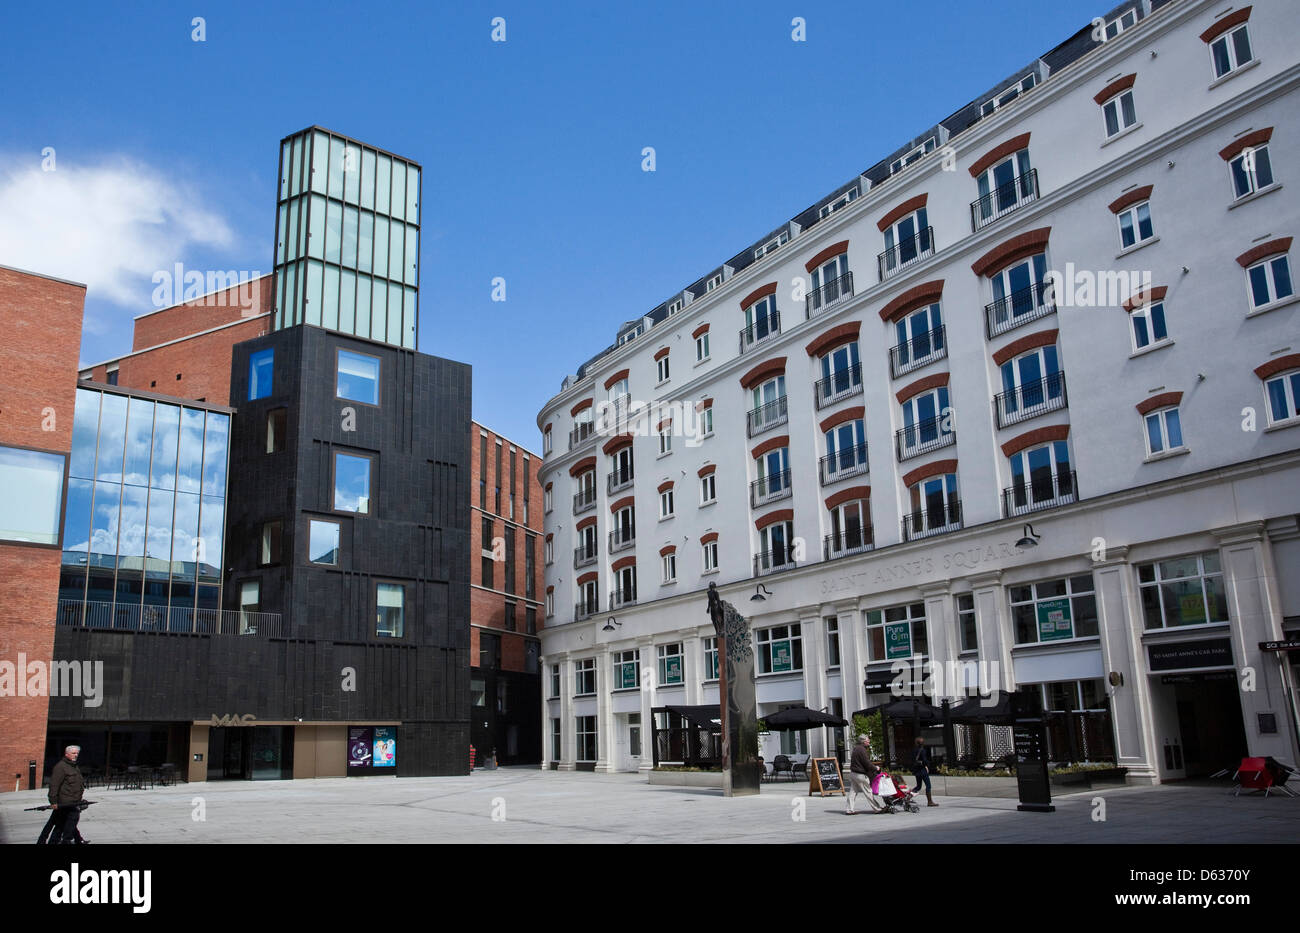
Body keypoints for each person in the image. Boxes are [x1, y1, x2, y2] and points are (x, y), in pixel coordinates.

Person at [46, 745, 87, 843]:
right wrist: (53, 801)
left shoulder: (74, 766)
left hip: (75, 801)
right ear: (66, 754)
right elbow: (54, 785)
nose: (76, 755)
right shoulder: (60, 767)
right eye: (73, 753)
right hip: (66, 802)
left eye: (77, 753)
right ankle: (67, 840)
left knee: (62, 824)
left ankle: (55, 841)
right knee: (71, 822)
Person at [845, 734, 883, 814]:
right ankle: (877, 808)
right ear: (863, 741)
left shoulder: (856, 748)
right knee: (868, 791)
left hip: (853, 773)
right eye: (867, 740)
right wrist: (876, 768)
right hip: (860, 775)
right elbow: (867, 763)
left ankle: (849, 809)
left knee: (853, 792)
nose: (869, 741)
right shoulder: (862, 750)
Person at [912, 736, 938, 807]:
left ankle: (908, 797)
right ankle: (930, 802)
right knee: (928, 785)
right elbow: (924, 760)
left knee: (918, 786)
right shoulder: (922, 750)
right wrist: (927, 764)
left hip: (917, 770)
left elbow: (913, 760)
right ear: (922, 743)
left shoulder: (914, 750)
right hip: (922, 770)